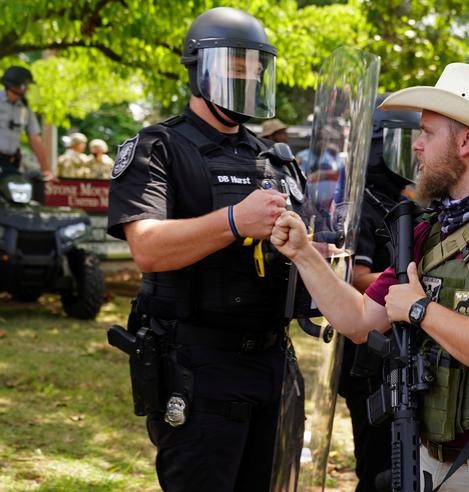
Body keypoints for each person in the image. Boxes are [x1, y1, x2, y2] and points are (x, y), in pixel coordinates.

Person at [272, 62, 469, 491]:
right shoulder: (431, 230)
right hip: (435, 464)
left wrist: (420, 310)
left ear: (467, 140)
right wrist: (304, 255)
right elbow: (360, 321)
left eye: (428, 133)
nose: (416, 146)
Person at [107, 7, 297, 491]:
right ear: (199, 70)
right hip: (198, 366)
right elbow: (147, 249)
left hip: (274, 362)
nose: (247, 82)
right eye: (235, 69)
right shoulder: (159, 147)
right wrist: (235, 221)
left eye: (255, 70)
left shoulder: (273, 157)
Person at [338, 94, 419, 491]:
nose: (416, 153)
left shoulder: (403, 202)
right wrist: (413, 291)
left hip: (400, 352)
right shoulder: (363, 204)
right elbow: (356, 276)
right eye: (404, 142)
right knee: (378, 469)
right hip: (369, 354)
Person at [0, 66, 53, 179]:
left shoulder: (24, 108)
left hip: (11, 162)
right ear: (14, 86)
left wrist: (46, 169)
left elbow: (35, 138)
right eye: (25, 85)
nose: (27, 89)